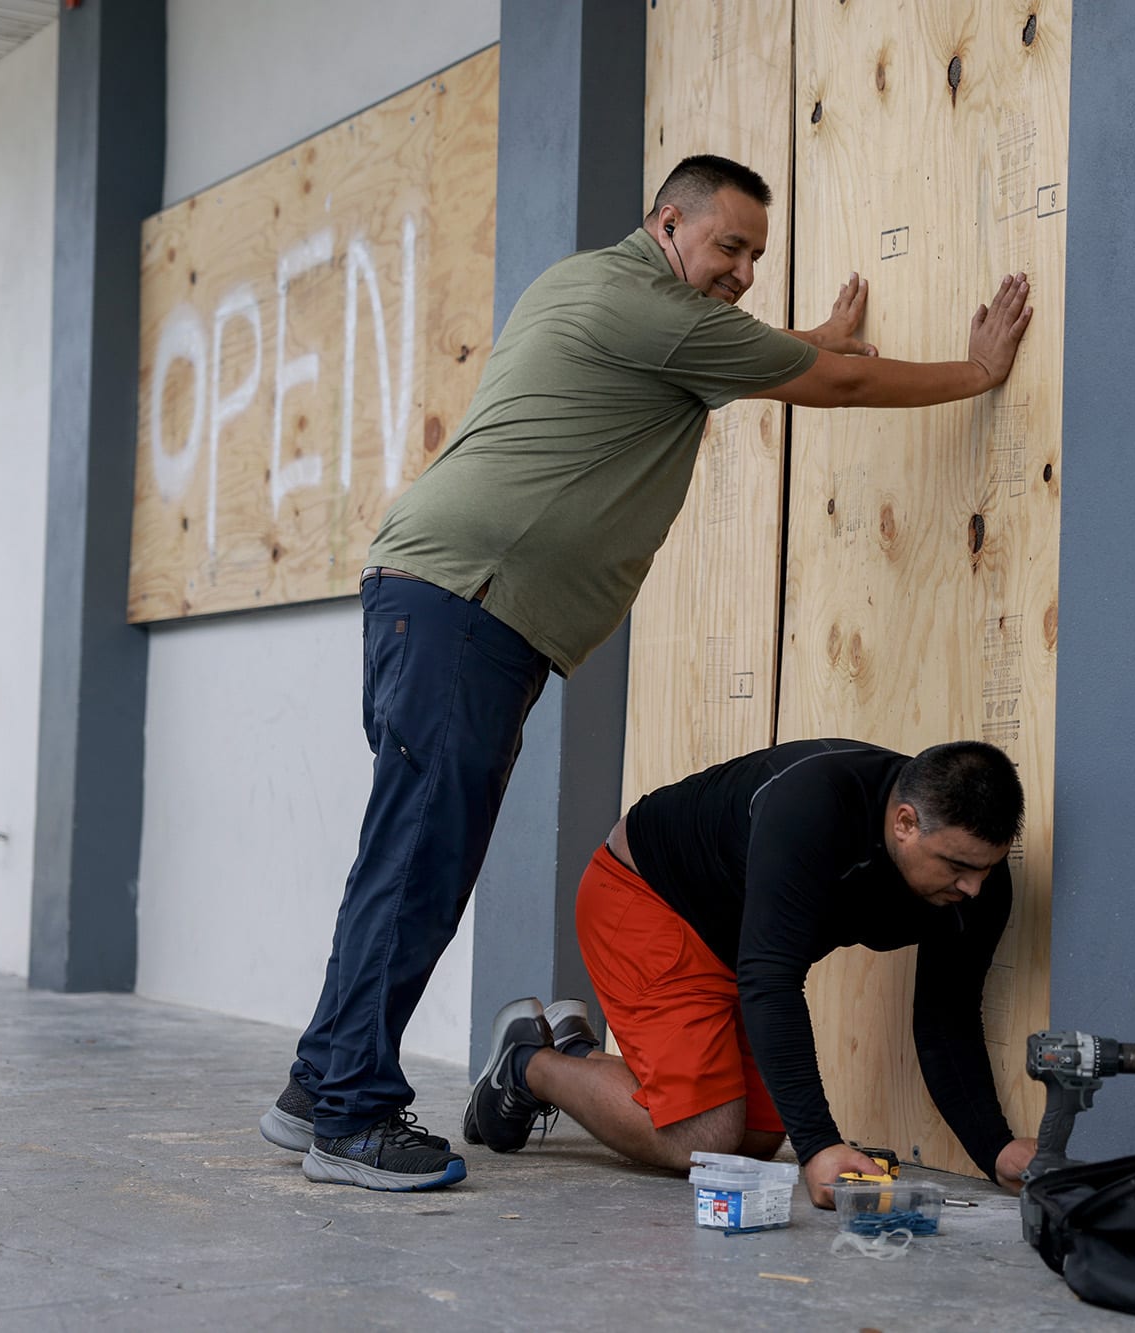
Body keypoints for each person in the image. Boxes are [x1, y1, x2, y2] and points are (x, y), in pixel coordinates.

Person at [258, 154, 1035, 1191]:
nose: (744, 270)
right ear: (667, 223)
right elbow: (829, 383)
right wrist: (973, 373)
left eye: (758, 254)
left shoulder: (604, 291)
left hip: (452, 602)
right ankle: (350, 1113)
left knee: (409, 857)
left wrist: (803, 340)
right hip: (465, 604)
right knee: (416, 867)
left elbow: (752, 354)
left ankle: (321, 1081)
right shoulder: (652, 307)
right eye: (729, 245)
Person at [463, 738, 1040, 1207]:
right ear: (906, 823)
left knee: (755, 1141)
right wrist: (820, 1147)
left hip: (736, 942)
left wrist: (994, 1149)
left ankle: (575, 1052)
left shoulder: (974, 886)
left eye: (987, 869)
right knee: (703, 1139)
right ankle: (529, 1065)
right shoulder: (814, 806)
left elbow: (946, 1016)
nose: (974, 888)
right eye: (959, 866)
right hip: (647, 898)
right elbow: (772, 978)